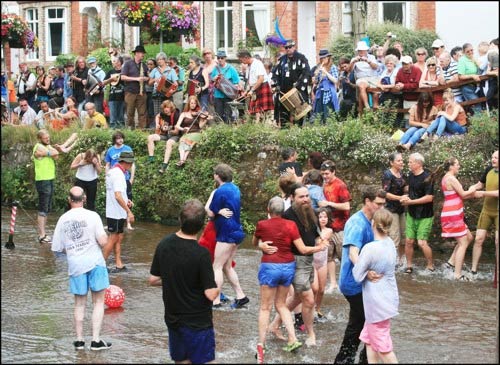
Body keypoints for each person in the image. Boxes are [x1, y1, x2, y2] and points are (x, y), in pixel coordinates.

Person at [253, 197, 328, 362]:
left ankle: (261, 344)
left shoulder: (261, 225)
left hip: (270, 266)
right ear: (283, 211)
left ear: (268, 209)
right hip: (288, 267)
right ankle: (293, 339)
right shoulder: (291, 225)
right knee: (281, 304)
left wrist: (261, 245)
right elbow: (301, 248)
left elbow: (254, 242)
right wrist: (319, 247)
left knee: (265, 308)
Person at [149, 199, 219, 364]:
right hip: (198, 322)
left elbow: (153, 280)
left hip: (173, 319)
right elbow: (210, 293)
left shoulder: (164, 244)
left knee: (182, 361)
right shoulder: (201, 254)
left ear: (180, 220)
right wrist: (217, 288)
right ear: (202, 226)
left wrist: (172, 280)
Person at [51, 186, 111, 351]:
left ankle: (79, 341)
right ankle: (96, 341)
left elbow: (57, 247)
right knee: (98, 301)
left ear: (69, 200)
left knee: (79, 304)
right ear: (84, 199)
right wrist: (106, 235)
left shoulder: (63, 219)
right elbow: (103, 241)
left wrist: (72, 249)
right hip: (96, 263)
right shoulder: (93, 216)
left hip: (76, 265)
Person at [335, 186, 386, 364]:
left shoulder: (373, 221)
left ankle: (351, 359)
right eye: (378, 204)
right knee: (364, 322)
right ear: (367, 201)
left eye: (383, 204)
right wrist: (365, 271)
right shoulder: (357, 223)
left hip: (366, 282)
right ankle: (350, 359)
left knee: (361, 322)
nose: (382, 208)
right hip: (353, 282)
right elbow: (353, 253)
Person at [352, 208, 399, 364]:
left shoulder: (370, 248)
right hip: (389, 298)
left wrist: (365, 272)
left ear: (373, 223)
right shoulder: (391, 244)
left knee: (384, 349)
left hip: (376, 302)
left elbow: (357, 275)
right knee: (369, 340)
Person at [209, 163, 248, 308]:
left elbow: (211, 213)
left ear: (217, 176)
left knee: (216, 266)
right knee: (227, 266)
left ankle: (215, 300)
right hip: (237, 230)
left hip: (226, 233)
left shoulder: (220, 191)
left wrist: (217, 212)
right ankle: (241, 296)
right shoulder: (235, 188)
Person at [436, 157, 476, 280]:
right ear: (451, 166)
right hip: (453, 213)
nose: (459, 166)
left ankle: (450, 263)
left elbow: (458, 196)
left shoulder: (445, 178)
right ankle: (457, 275)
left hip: (454, 212)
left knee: (469, 237)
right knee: (463, 242)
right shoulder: (451, 178)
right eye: (457, 164)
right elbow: (463, 194)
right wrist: (473, 189)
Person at [318, 160, 352, 294]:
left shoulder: (340, 185)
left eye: (327, 174)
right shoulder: (323, 184)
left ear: (333, 172)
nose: (325, 177)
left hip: (341, 227)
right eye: (323, 174)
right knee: (329, 257)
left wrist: (328, 203)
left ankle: (348, 282)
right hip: (328, 226)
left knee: (344, 256)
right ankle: (333, 284)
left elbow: (346, 206)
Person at [401, 152, 435, 273]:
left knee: (421, 243)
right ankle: (409, 266)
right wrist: (405, 196)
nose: (408, 164)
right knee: (409, 241)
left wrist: (411, 202)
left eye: (410, 162)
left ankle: (430, 266)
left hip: (425, 215)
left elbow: (429, 198)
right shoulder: (410, 175)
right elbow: (410, 189)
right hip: (411, 214)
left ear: (418, 164)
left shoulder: (428, 177)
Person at [103, 151, 135, 273]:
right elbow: (117, 195)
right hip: (116, 212)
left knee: (118, 237)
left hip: (115, 210)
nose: (131, 166)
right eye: (131, 163)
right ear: (126, 163)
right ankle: (100, 265)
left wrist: (127, 201)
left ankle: (118, 263)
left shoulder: (112, 172)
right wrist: (129, 212)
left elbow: (118, 194)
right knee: (113, 238)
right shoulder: (118, 175)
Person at [469, 150, 499, 277]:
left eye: (496, 158)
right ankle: (473, 270)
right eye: (492, 157)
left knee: (498, 241)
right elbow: (480, 184)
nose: (493, 160)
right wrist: (472, 188)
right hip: (486, 210)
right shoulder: (488, 169)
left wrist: (483, 193)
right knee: (479, 239)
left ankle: (497, 272)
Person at [272, 39, 311, 127]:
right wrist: (276, 85)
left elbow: (307, 73)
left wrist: (299, 85)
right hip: (284, 91)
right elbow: (275, 73)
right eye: (286, 48)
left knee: (299, 114)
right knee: (283, 115)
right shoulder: (282, 60)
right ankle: (284, 131)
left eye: (290, 47)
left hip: (297, 90)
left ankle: (299, 131)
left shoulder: (301, 58)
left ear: (294, 47)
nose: (288, 49)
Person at [32, 129, 60, 244]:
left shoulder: (46, 146)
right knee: (43, 208)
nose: (48, 140)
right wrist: (50, 152)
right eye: (45, 138)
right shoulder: (38, 146)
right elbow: (54, 153)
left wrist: (49, 152)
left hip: (49, 179)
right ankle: (41, 235)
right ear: (40, 139)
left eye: (48, 137)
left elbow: (56, 156)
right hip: (42, 180)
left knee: (47, 208)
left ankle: (44, 233)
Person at [104, 131, 135, 230]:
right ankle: (124, 217)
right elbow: (108, 165)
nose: (120, 140)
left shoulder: (127, 149)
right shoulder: (111, 151)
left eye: (121, 138)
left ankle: (127, 222)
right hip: (116, 178)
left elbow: (133, 164)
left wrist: (131, 178)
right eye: (118, 138)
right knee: (115, 237)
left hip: (125, 178)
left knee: (127, 197)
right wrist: (106, 176)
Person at [382, 152, 408, 266]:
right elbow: (385, 193)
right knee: (394, 236)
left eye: (402, 160)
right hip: (391, 209)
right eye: (399, 161)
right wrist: (400, 197)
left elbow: (405, 187)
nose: (402, 162)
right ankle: (391, 262)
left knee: (404, 236)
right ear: (391, 162)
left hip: (401, 209)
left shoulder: (402, 174)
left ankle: (401, 261)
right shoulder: (387, 174)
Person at [238, 49, 274, 124]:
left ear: (246, 57)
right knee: (253, 111)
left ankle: (264, 128)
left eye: (241, 60)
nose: (242, 63)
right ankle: (255, 127)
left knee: (263, 112)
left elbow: (261, 79)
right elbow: (250, 81)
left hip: (262, 87)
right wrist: (246, 91)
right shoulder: (248, 66)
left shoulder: (257, 63)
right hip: (255, 88)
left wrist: (251, 90)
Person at [174, 95, 210, 167]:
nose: (193, 105)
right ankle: (182, 160)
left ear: (196, 104)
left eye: (194, 103)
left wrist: (205, 120)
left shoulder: (198, 113)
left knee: (187, 142)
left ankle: (182, 160)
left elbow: (200, 126)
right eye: (191, 103)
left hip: (196, 133)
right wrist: (183, 129)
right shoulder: (183, 114)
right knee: (182, 142)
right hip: (187, 134)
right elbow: (177, 126)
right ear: (189, 104)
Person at [147, 100, 181, 173]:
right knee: (150, 137)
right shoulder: (164, 113)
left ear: (171, 108)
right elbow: (157, 116)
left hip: (175, 135)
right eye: (164, 107)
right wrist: (157, 124)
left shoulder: (176, 115)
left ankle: (164, 165)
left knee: (169, 143)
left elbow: (176, 131)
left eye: (167, 107)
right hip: (165, 134)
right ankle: (151, 159)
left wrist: (168, 129)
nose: (166, 109)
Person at [312, 207, 334, 320]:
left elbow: (321, 240)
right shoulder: (311, 230)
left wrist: (317, 239)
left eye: (325, 217)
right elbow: (317, 241)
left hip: (322, 262)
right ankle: (310, 308)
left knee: (321, 289)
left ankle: (317, 309)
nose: (323, 219)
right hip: (312, 262)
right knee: (314, 288)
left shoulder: (329, 230)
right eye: (320, 217)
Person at [121, 45, 150, 129]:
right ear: (136, 53)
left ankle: (142, 130)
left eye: (143, 53)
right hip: (130, 92)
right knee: (130, 112)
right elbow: (123, 77)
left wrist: (145, 78)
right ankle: (131, 129)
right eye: (142, 53)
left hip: (141, 92)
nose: (143, 55)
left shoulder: (144, 65)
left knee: (142, 113)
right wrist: (136, 79)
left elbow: (148, 78)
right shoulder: (128, 64)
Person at [211, 49, 240, 123]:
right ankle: (219, 132)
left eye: (222, 58)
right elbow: (211, 79)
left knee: (228, 116)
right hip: (218, 96)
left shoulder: (231, 69)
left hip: (228, 96)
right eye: (218, 58)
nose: (220, 59)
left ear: (225, 58)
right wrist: (214, 78)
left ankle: (228, 132)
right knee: (218, 116)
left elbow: (236, 82)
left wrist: (232, 90)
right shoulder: (216, 68)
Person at [350, 41, 380, 114]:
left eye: (363, 50)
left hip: (372, 78)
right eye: (360, 50)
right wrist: (353, 62)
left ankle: (375, 112)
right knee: (361, 86)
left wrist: (368, 61)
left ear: (366, 50)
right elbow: (349, 70)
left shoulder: (372, 57)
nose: (361, 52)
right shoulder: (354, 59)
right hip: (361, 78)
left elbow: (375, 67)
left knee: (376, 92)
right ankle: (367, 107)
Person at [311, 48, 339, 123]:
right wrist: (315, 78)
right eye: (322, 58)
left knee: (328, 115)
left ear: (328, 58)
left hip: (329, 93)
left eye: (325, 57)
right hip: (320, 93)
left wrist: (326, 72)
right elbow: (316, 82)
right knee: (319, 116)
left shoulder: (333, 67)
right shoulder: (319, 67)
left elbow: (335, 80)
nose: (323, 59)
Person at [149, 52, 178, 118]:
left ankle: (167, 127)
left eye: (160, 59)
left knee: (168, 112)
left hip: (167, 95)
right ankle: (158, 126)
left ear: (165, 60)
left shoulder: (171, 70)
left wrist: (173, 91)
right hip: (157, 94)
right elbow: (149, 82)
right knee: (157, 113)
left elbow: (176, 84)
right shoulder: (155, 70)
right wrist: (154, 80)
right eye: (158, 60)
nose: (159, 61)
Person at [457, 43, 482, 114]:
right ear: (464, 52)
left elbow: (481, 68)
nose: (470, 52)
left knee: (479, 105)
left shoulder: (474, 58)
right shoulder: (462, 60)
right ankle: (479, 124)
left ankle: (479, 123)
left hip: (477, 86)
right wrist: (472, 76)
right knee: (477, 106)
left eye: (471, 50)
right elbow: (460, 76)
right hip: (467, 87)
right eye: (468, 51)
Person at [103, 56, 125, 128]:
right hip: (112, 97)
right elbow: (103, 83)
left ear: (119, 62)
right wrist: (111, 79)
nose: (113, 63)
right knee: (112, 118)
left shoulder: (124, 71)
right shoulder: (110, 71)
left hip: (123, 97)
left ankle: (122, 132)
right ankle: (113, 133)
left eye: (115, 61)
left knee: (121, 117)